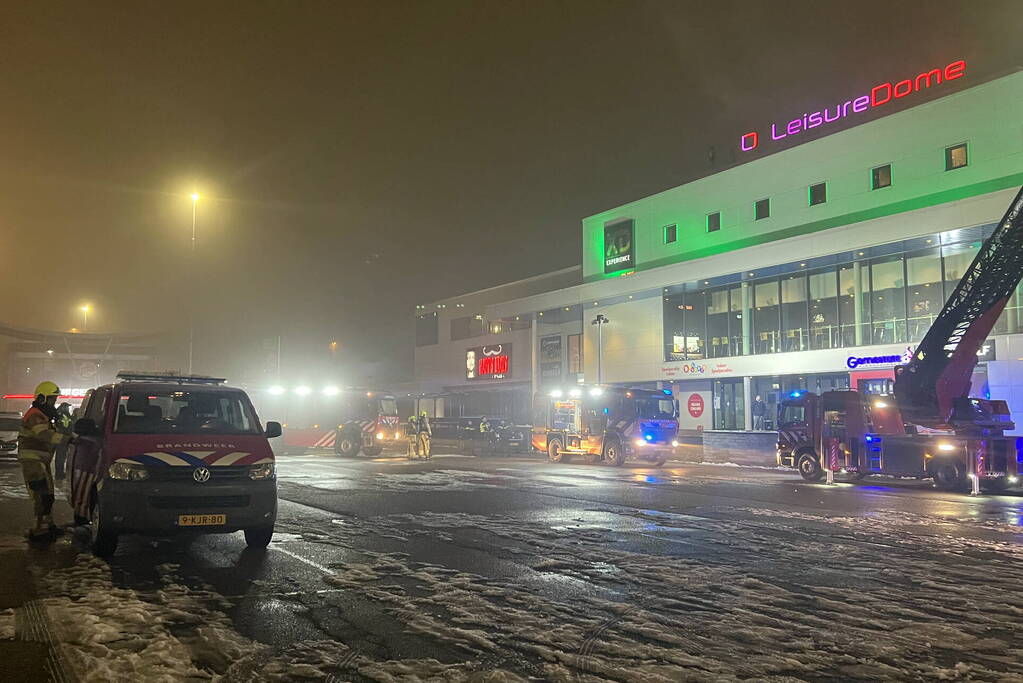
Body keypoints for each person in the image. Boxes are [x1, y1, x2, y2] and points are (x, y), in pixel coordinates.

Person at [18, 381, 72, 540]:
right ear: (42, 398)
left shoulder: (43, 415)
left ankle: (47, 526)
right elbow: (44, 435)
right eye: (52, 399)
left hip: (41, 461)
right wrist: (68, 440)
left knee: (48, 494)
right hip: (33, 461)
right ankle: (39, 530)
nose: (54, 403)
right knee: (41, 494)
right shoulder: (35, 414)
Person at [53, 402, 73, 481]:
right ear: (64, 407)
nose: (68, 408)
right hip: (62, 439)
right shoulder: (61, 415)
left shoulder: (66, 415)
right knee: (60, 457)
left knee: (62, 456)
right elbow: (63, 427)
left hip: (64, 438)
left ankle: (60, 473)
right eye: (67, 407)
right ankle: (59, 474)